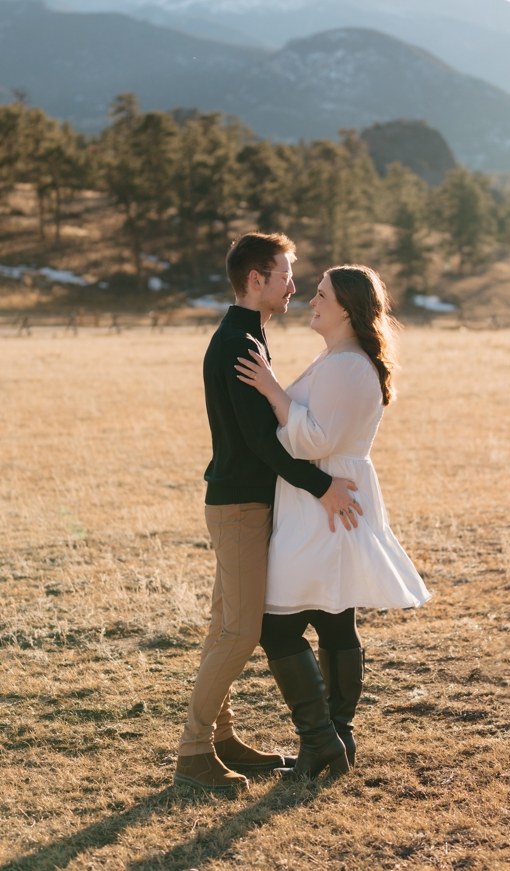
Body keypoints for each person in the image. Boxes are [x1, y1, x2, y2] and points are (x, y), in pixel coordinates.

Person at [174, 233, 364, 795]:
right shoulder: (238, 341)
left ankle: (223, 740)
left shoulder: (249, 334)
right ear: (257, 279)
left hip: (244, 503)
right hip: (238, 507)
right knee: (239, 631)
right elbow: (261, 440)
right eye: (285, 275)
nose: (293, 286)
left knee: (223, 628)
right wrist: (321, 484)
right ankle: (192, 753)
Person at [235, 264, 431, 779]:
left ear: (345, 307)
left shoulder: (347, 365)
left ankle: (324, 737)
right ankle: (336, 736)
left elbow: (312, 441)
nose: (310, 300)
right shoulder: (338, 358)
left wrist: (273, 391)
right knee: (332, 615)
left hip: (328, 503)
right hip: (322, 502)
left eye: (320, 294)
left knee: (278, 627)